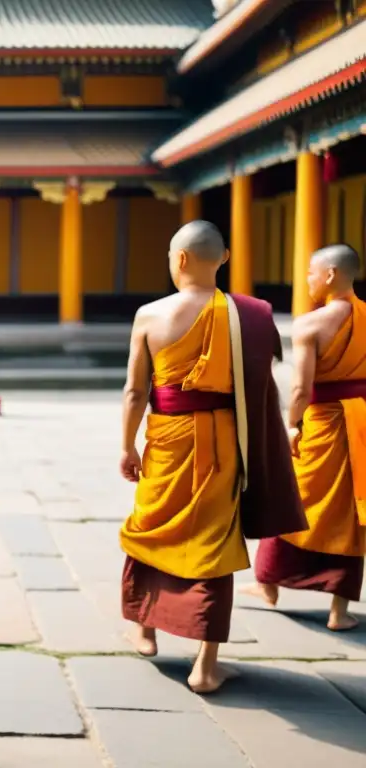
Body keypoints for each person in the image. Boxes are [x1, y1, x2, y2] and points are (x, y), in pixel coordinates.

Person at [118, 221, 305, 694]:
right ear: (222, 259)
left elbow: (136, 391)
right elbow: (265, 377)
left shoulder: (149, 314)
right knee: (215, 541)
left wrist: (127, 444)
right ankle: (206, 665)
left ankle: (145, 629)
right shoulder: (249, 315)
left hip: (168, 437)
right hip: (226, 439)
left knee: (152, 523)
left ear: (179, 259)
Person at [246, 244, 366, 630]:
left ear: (330, 274)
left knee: (293, 499)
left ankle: (268, 586)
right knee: (351, 511)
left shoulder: (310, 325)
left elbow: (300, 388)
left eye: (312, 273)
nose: (308, 280)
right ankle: (339, 611)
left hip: (322, 422)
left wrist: (292, 425)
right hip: (360, 422)